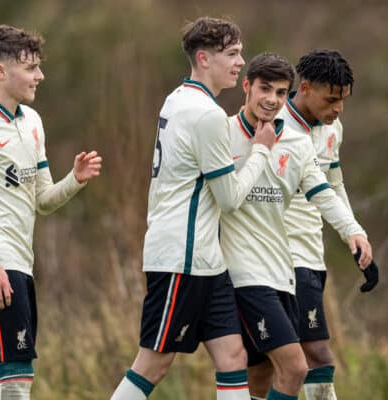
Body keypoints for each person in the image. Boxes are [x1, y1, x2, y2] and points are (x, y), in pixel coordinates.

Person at [110, 17, 278, 400]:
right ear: (204, 58)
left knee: (233, 355)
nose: (241, 62)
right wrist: (261, 152)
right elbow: (230, 198)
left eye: (240, 53)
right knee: (154, 363)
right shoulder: (206, 114)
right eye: (232, 54)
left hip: (207, 259)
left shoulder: (178, 99)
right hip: (180, 259)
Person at [0, 25, 102, 400]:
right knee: (16, 378)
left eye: (38, 67)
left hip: (19, 265)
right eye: (30, 68)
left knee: (7, 378)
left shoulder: (32, 122)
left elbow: (42, 200)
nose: (39, 76)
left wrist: (74, 180)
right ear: (0, 72)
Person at [221, 53, 372, 400]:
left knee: (260, 368)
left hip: (295, 266)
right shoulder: (239, 130)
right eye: (331, 100)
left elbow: (328, 189)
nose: (337, 109)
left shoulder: (313, 138)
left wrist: (354, 232)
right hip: (266, 264)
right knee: (304, 360)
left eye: (279, 91)